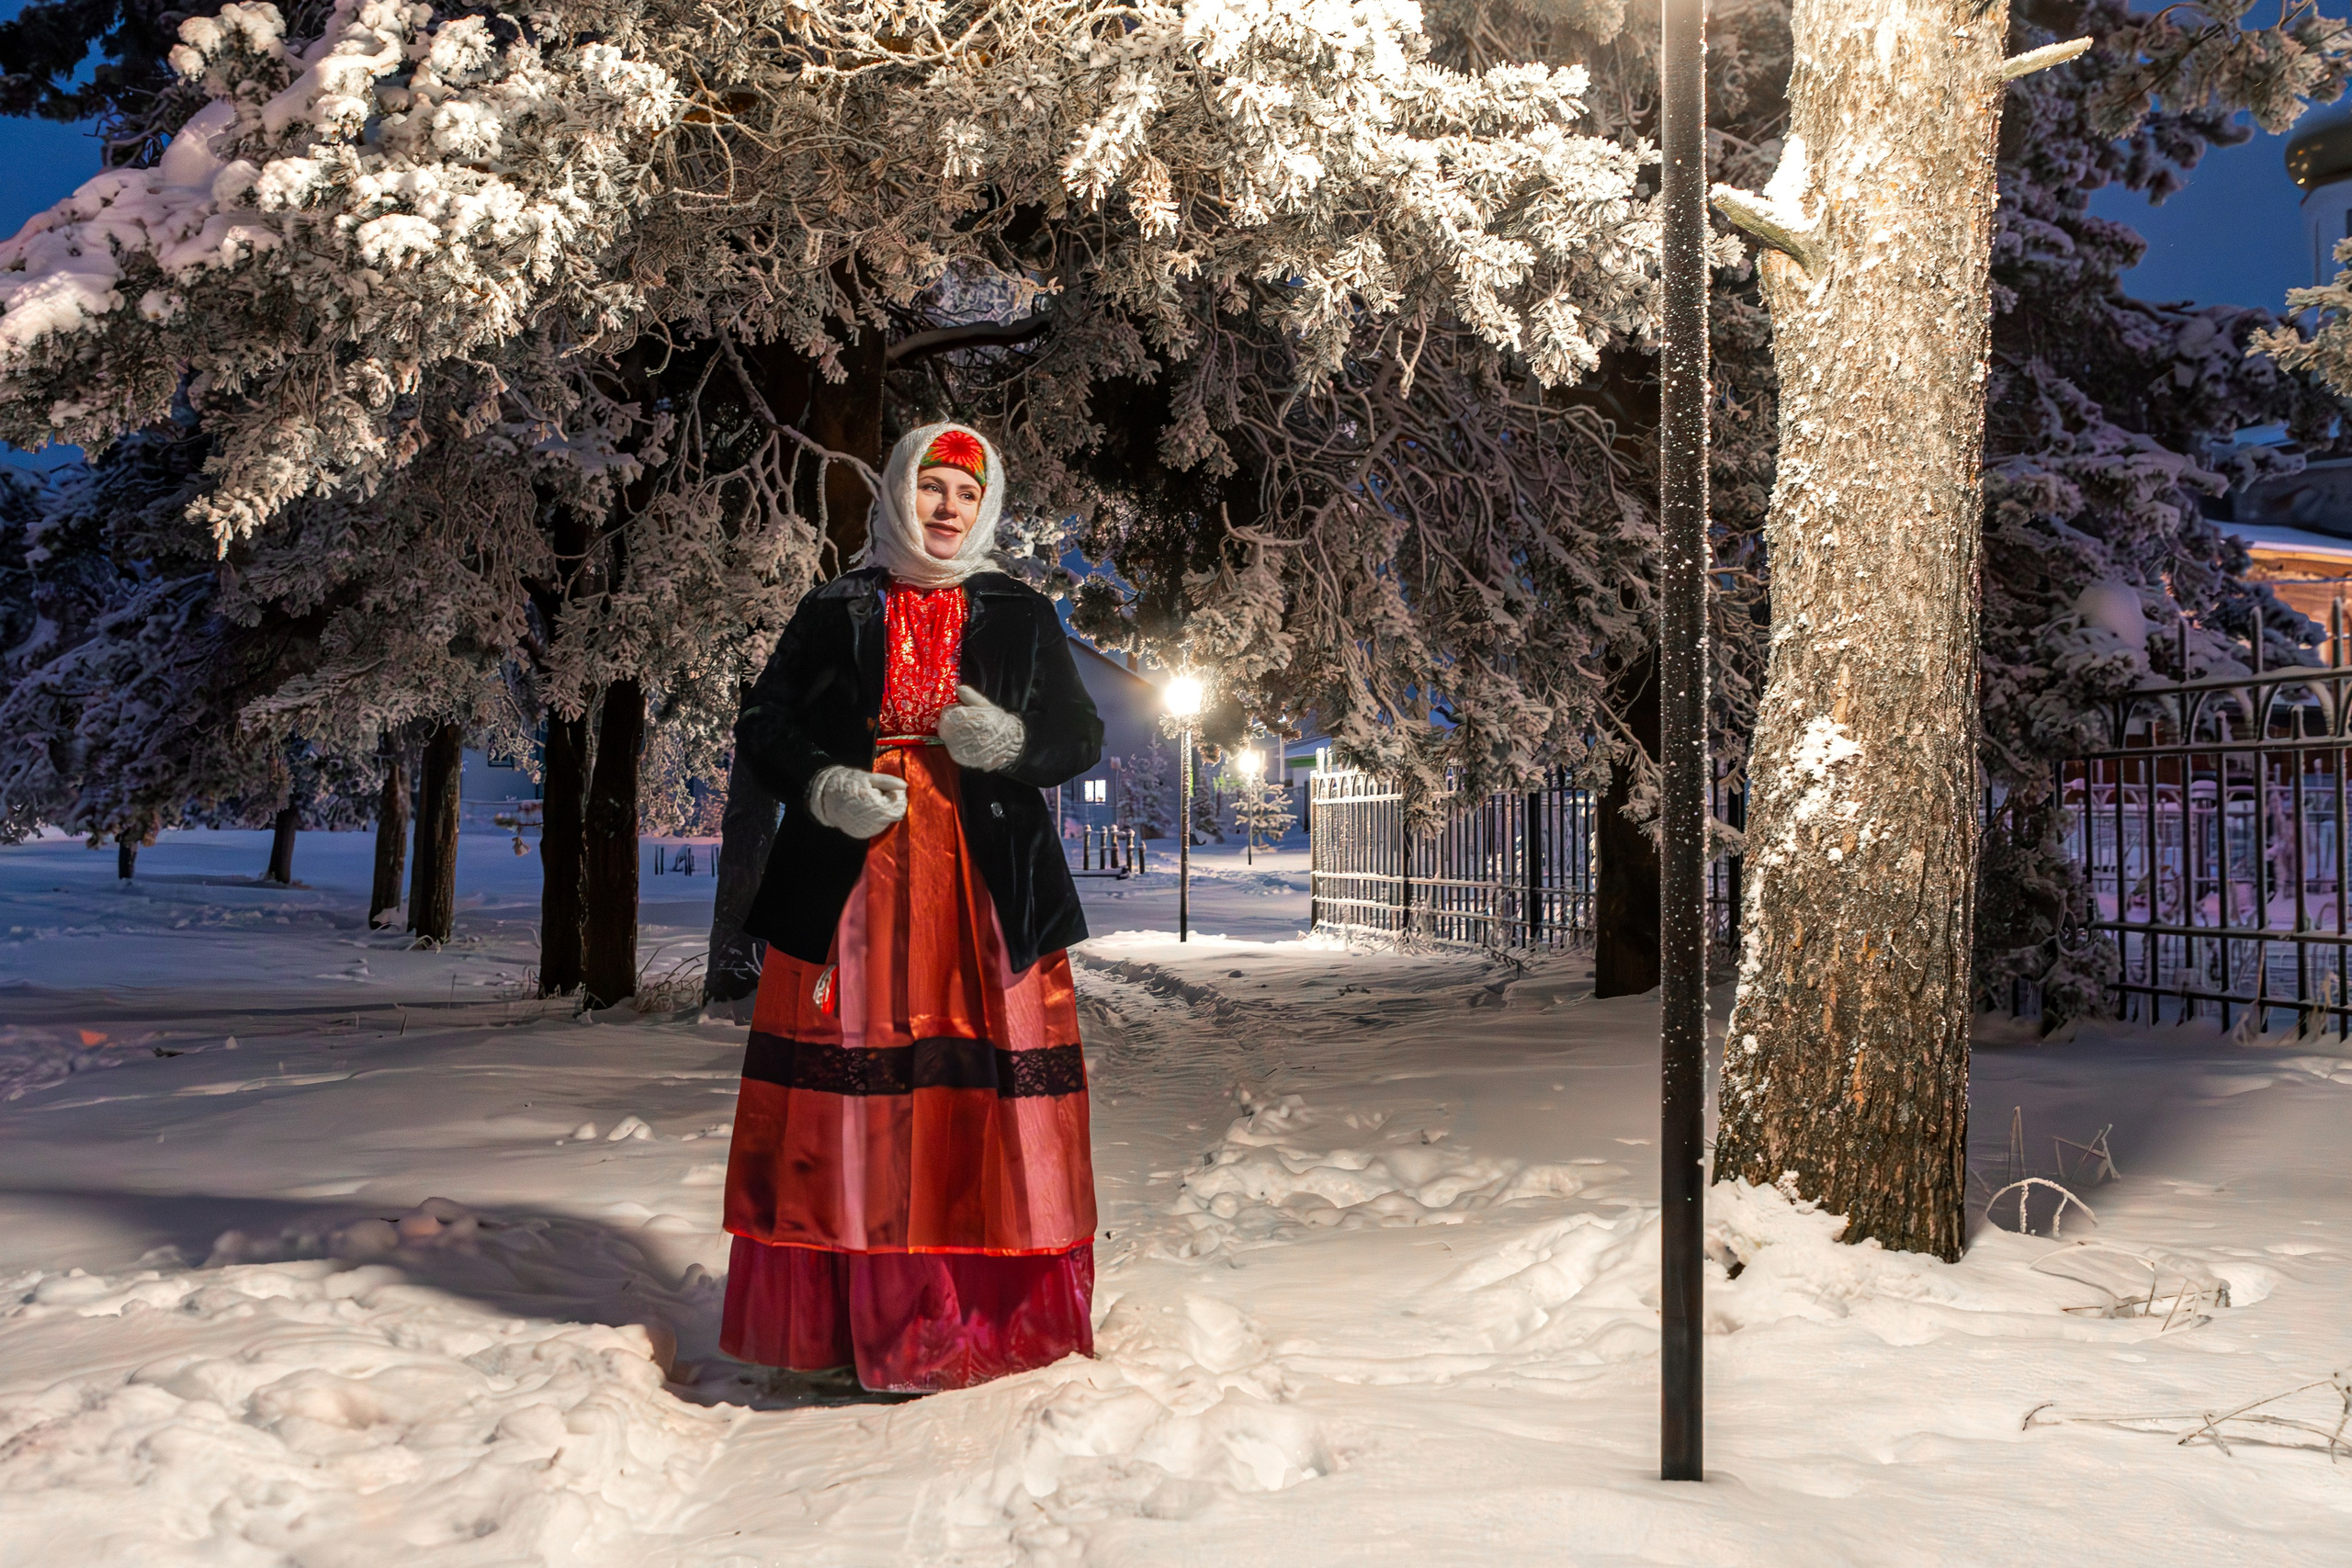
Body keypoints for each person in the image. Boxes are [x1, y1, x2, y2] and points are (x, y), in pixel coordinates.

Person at [720, 422, 1103, 1393]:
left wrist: (1013, 742)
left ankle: (982, 1323)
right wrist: (821, 786)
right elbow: (764, 724)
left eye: (964, 495)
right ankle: (859, 1327)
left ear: (987, 507)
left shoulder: (1020, 612)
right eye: (930, 487)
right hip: (857, 879)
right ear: (897, 492)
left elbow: (1079, 738)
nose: (944, 509)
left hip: (986, 892)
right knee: (864, 1103)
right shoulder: (835, 607)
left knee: (977, 1098)